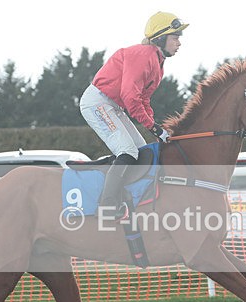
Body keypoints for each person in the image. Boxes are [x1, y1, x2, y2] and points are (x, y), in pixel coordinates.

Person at [80, 11, 188, 220]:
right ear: (160, 38)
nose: (179, 43)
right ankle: (107, 206)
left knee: (142, 151)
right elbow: (130, 98)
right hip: (98, 102)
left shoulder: (158, 63)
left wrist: (156, 127)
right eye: (175, 38)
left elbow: (143, 101)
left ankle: (130, 198)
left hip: (113, 105)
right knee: (128, 151)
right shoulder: (143, 56)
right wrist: (154, 128)